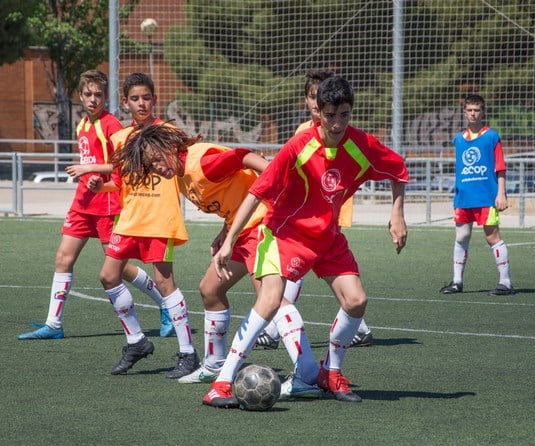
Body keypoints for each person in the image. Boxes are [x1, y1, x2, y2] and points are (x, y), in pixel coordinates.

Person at [203, 75, 409, 408]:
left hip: (328, 238)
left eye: (344, 114)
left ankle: (330, 372)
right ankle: (222, 383)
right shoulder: (299, 146)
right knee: (270, 300)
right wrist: (229, 240)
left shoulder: (361, 144)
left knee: (356, 301)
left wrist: (397, 214)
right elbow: (257, 193)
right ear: (319, 113)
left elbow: (398, 170)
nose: (338, 122)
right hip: (285, 235)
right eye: (331, 115)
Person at [112, 123, 325, 399]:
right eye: (151, 166)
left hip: (263, 225)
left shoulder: (202, 164)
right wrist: (225, 232)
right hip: (242, 230)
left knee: (270, 297)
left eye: (156, 159)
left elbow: (243, 156)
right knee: (210, 289)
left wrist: (279, 182)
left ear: (169, 148)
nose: (157, 168)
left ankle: (306, 371)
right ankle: (215, 364)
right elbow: (235, 196)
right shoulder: (180, 174)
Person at [17, 70, 169, 342]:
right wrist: (87, 174)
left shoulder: (111, 125)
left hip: (107, 205)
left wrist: (91, 168)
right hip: (82, 203)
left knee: (119, 268)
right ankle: (54, 324)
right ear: (80, 96)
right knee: (63, 258)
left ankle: (165, 305)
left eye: (99, 94)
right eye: (88, 94)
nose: (93, 99)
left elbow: (124, 163)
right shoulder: (82, 125)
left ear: (106, 97)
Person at [85, 75, 199, 378]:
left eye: (146, 97)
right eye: (135, 99)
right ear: (125, 102)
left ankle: (188, 353)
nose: (141, 103)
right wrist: (101, 187)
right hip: (130, 217)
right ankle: (136, 341)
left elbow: (186, 168)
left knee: (165, 283)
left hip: (160, 218)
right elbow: (121, 183)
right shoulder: (121, 138)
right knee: (109, 275)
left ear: (154, 99)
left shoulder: (170, 133)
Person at [255, 69, 373, 351]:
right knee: (303, 269)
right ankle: (360, 326)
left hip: (330, 210)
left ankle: (273, 328)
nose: (314, 103)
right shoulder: (302, 132)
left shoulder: (341, 135)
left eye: (317, 97)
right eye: (310, 97)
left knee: (306, 269)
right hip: (307, 215)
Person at [440, 94, 515, 296]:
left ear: (483, 112)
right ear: (464, 112)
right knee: (462, 236)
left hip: (486, 197)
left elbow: (500, 168)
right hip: (464, 198)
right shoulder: (458, 139)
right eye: (469, 110)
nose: (473, 114)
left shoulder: (491, 136)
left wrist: (501, 193)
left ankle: (506, 282)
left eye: (477, 110)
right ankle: (457, 281)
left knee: (492, 237)